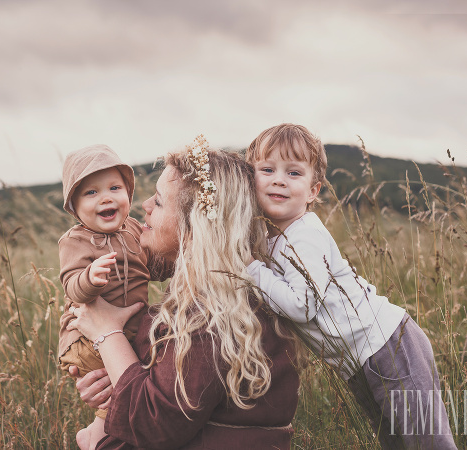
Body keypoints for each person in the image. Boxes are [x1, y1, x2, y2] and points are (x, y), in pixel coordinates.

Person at [67, 136, 301, 449]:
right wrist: (114, 379)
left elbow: (154, 424)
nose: (145, 207)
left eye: (159, 202)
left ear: (194, 227)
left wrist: (107, 333)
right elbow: (168, 391)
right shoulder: (222, 289)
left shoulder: (210, 313)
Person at [245, 123, 456, 449]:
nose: (279, 179)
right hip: (361, 362)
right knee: (398, 444)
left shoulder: (304, 234)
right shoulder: (274, 238)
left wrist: (253, 270)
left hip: (389, 347)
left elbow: (302, 306)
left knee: (428, 443)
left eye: (294, 173)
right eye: (268, 169)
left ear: (313, 191)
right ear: (251, 178)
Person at [57, 144, 161, 449]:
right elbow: (72, 288)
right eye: (90, 193)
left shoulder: (132, 228)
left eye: (115, 188)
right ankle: (98, 433)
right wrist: (89, 278)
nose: (105, 197)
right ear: (74, 207)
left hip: (124, 330)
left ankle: (109, 432)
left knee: (136, 376)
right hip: (86, 336)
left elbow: (151, 265)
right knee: (121, 385)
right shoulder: (75, 240)